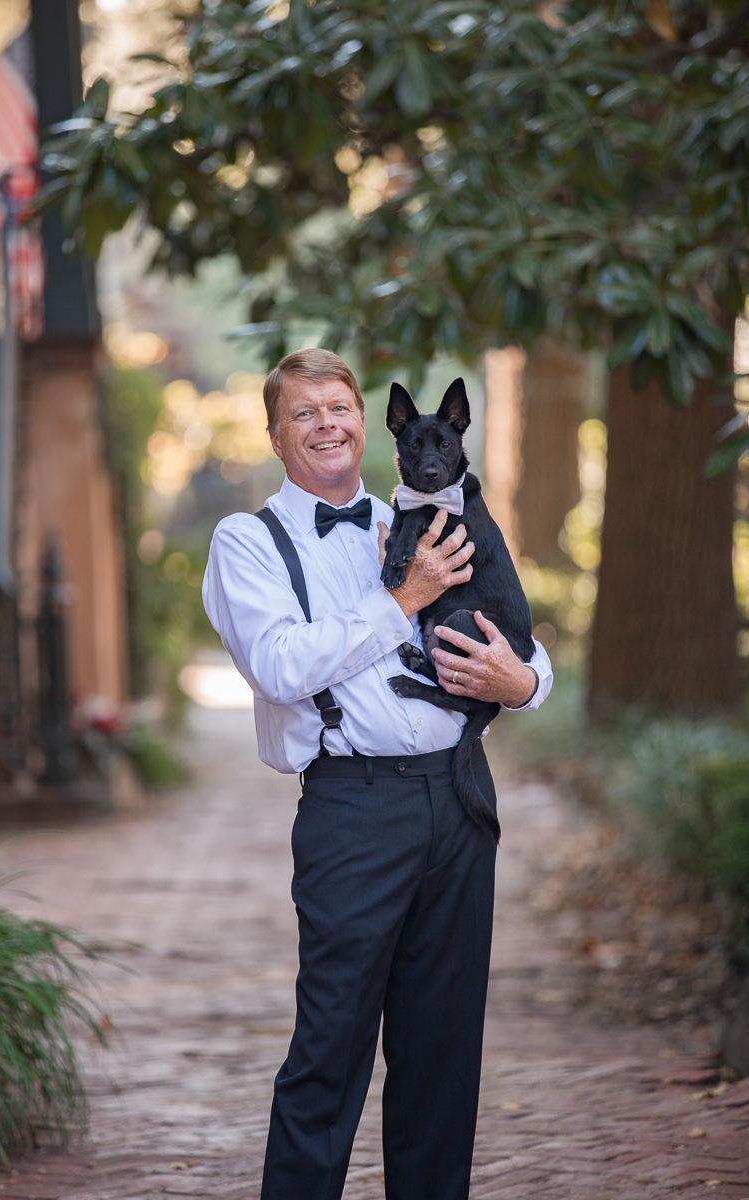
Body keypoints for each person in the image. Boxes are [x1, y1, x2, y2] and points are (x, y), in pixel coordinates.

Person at [203, 349, 552, 1200]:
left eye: (339, 407)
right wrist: (400, 597)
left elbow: (518, 635)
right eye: (304, 412)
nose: (326, 422)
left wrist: (526, 684)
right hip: (354, 811)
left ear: (367, 424)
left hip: (461, 799)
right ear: (277, 436)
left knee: (442, 1058)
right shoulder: (247, 542)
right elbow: (281, 666)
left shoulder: (433, 511)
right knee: (329, 1054)